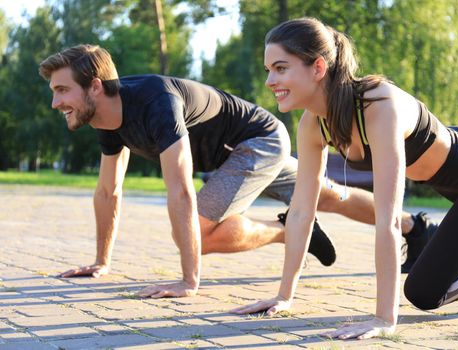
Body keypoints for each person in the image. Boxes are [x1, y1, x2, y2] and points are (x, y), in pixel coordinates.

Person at [39, 44, 435, 299]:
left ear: (93, 87)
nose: (56, 102)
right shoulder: (106, 120)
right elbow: (109, 191)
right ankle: (414, 228)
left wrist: (188, 280)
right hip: (242, 150)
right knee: (327, 195)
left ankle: (290, 230)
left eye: (62, 90)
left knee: (195, 234)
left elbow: (180, 191)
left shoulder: (155, 101)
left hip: (257, 140)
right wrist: (101, 261)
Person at [232, 17, 458, 340]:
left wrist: (384, 317)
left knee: (425, 292)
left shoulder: (377, 104)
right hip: (452, 186)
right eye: (268, 70)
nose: (270, 80)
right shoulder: (313, 125)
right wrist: (284, 296)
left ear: (317, 67)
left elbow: (388, 220)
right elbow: (301, 212)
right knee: (428, 289)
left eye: (280, 68)